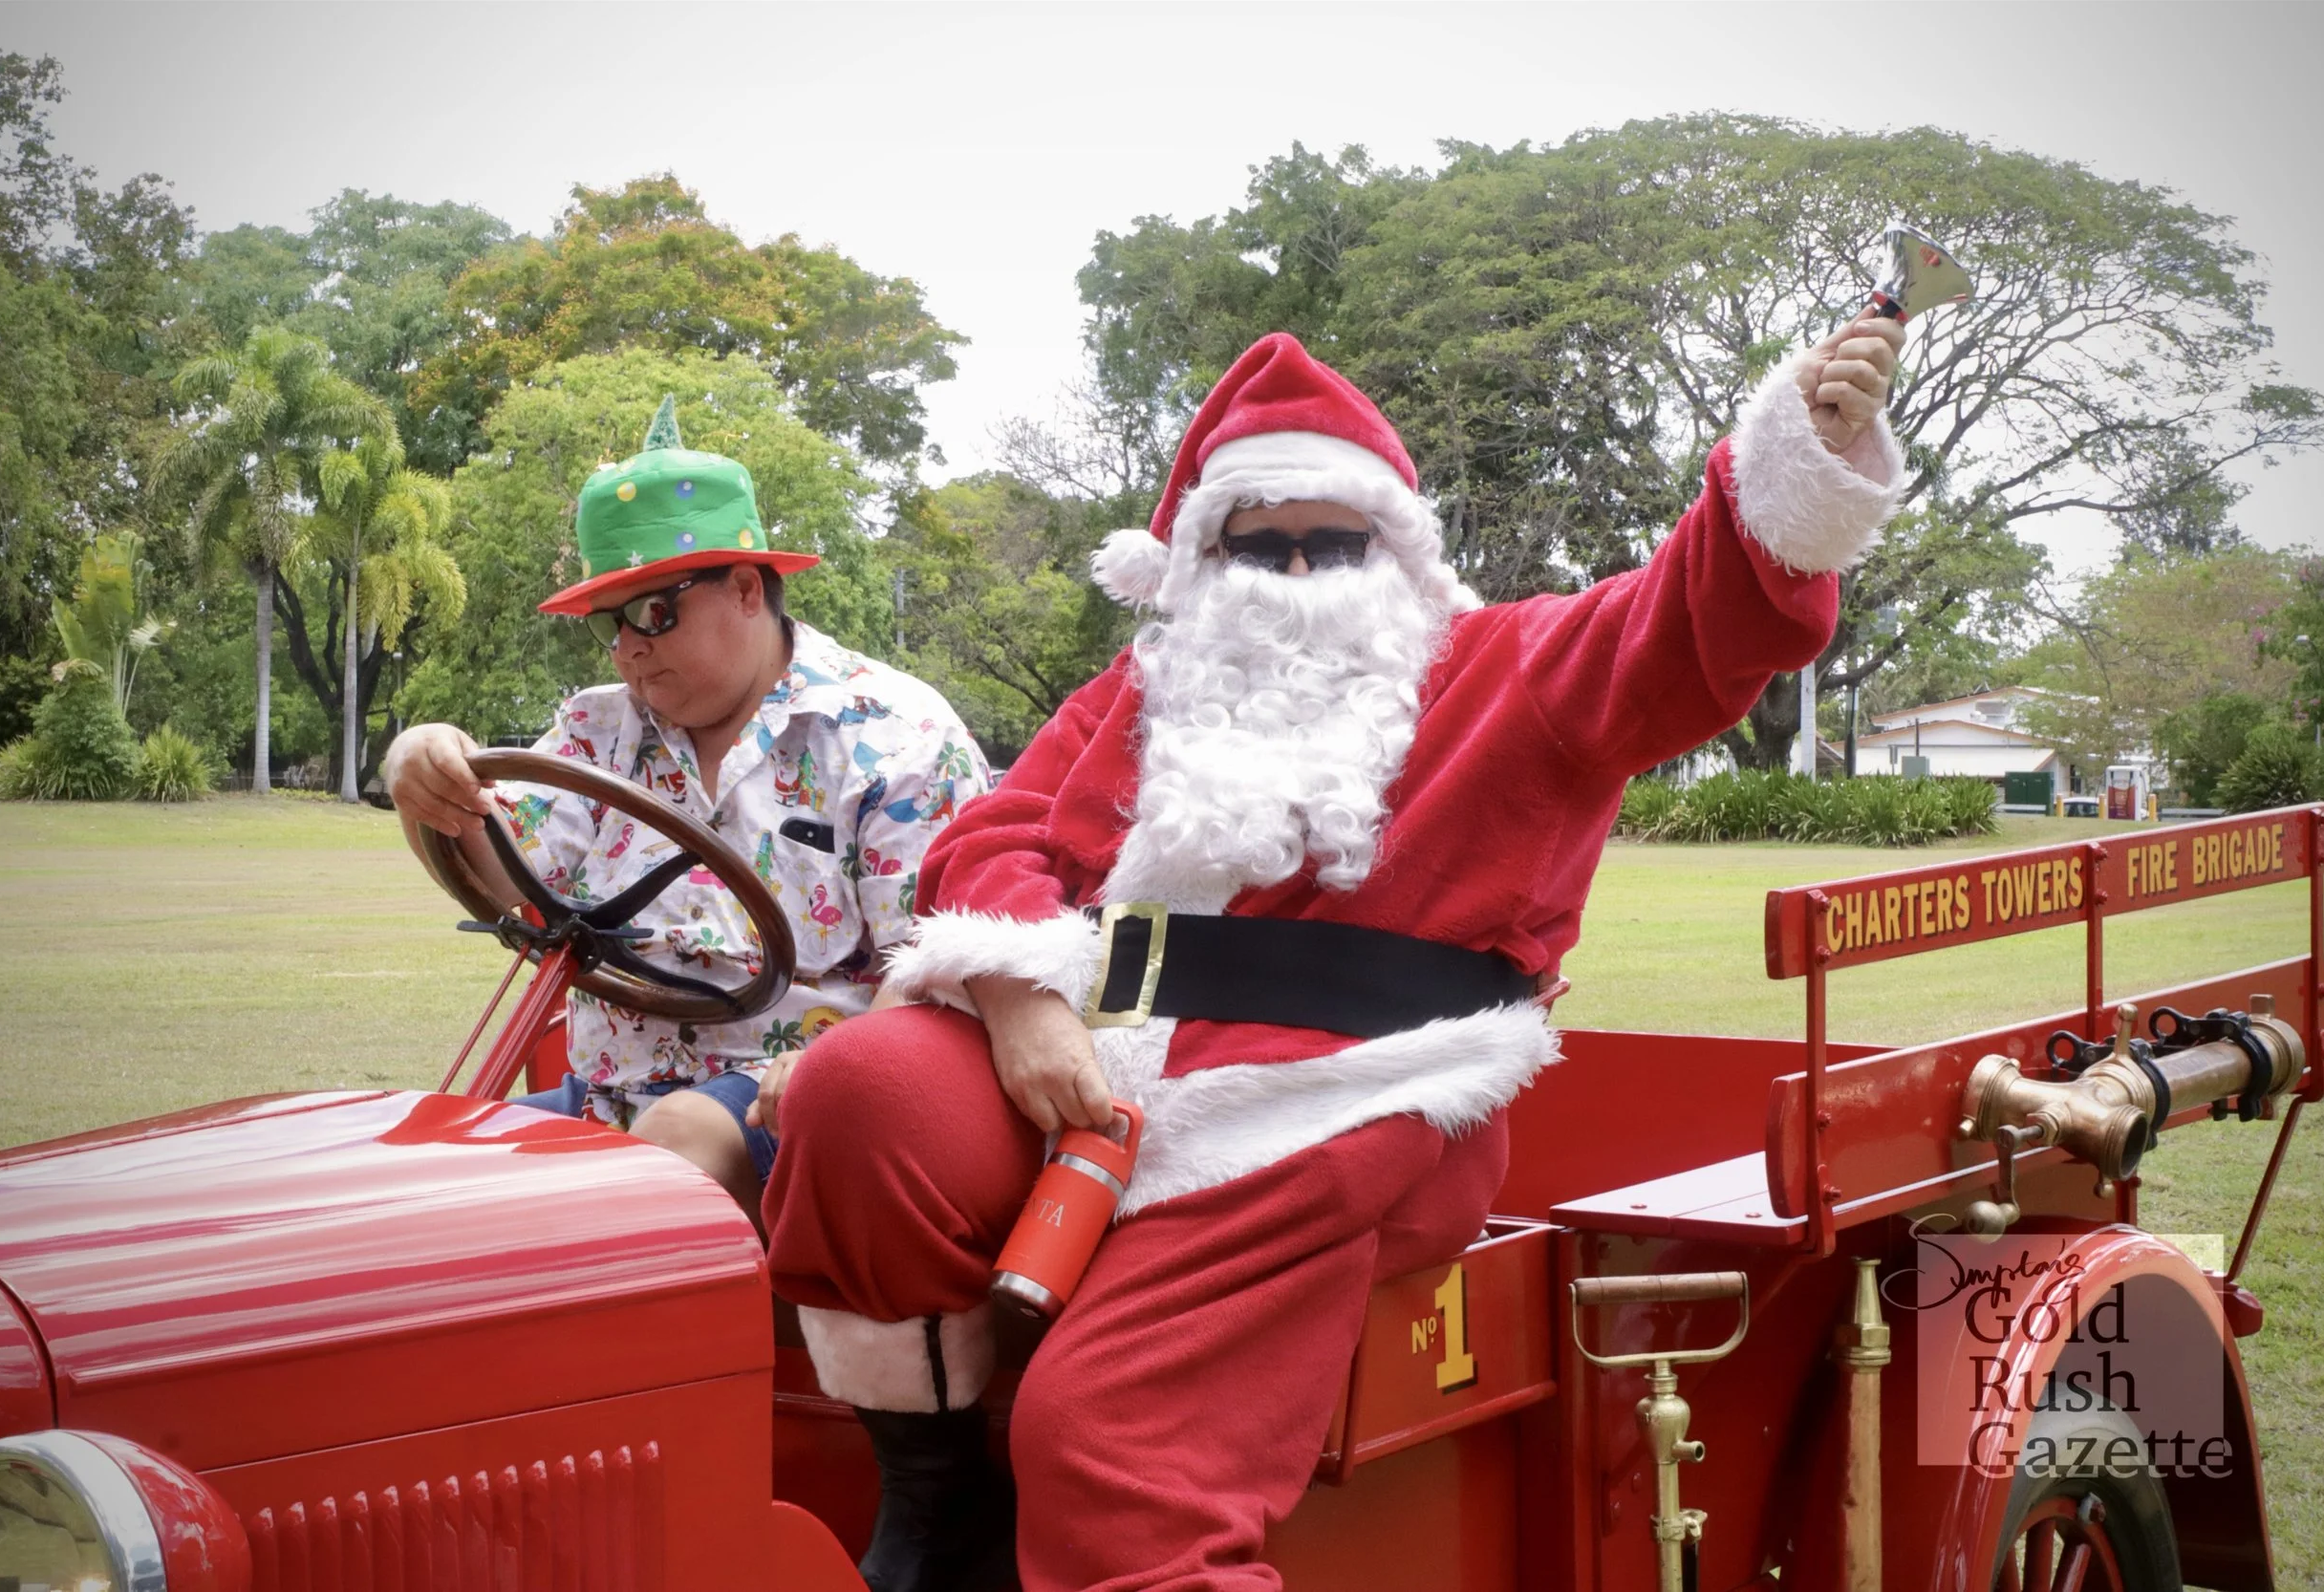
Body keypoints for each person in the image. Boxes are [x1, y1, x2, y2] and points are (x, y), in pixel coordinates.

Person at [759, 319, 1909, 1592]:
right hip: (1102, 1060)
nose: (1296, 573)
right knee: (857, 1093)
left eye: (1334, 541)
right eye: (1261, 543)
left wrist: (1804, 447)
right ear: (1201, 558)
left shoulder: (1501, 668)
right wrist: (1019, 989)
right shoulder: (1140, 694)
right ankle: (939, 1503)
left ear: (1394, 549)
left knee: (1103, 1440)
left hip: (1340, 1098)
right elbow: (998, 831)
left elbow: (1682, 628)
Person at [385, 398, 989, 1224]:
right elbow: (504, 873)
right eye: (608, 621)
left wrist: (836, 1073)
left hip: (802, 1109)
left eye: (653, 611)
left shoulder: (898, 738)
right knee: (415, 1178)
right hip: (608, 1097)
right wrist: (428, 780)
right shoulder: (596, 729)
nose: (628, 645)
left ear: (746, 589)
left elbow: (935, 968)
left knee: (676, 1144)